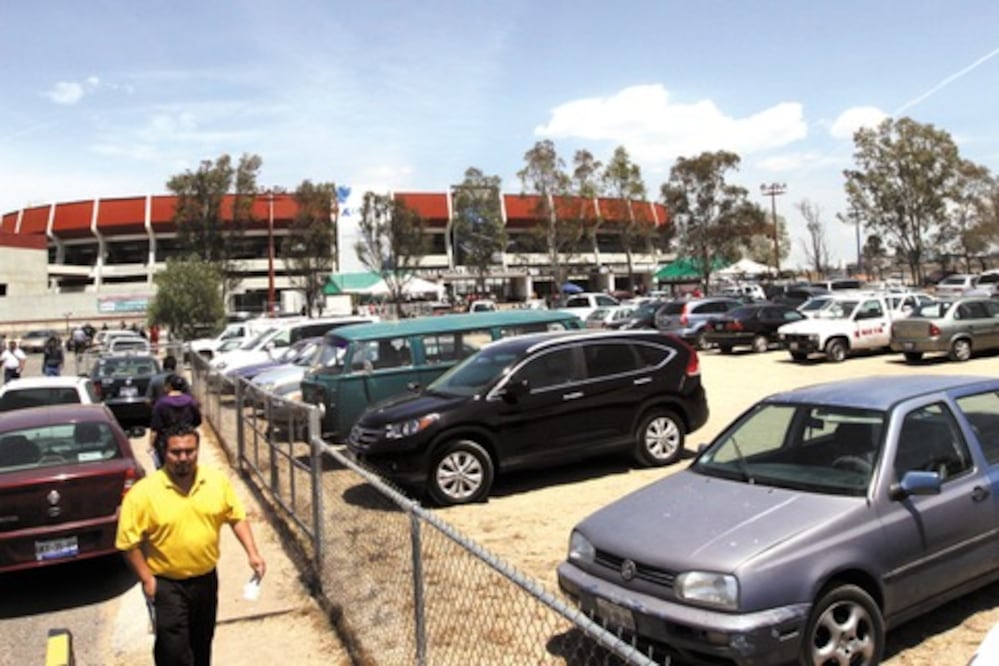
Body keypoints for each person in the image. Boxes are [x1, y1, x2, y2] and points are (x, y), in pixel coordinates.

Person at [115, 423, 266, 666]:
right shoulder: (143, 494)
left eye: (190, 451)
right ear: (164, 452)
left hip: (206, 580)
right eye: (176, 452)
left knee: (201, 643)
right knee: (174, 652)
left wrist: (253, 553)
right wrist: (147, 579)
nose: (183, 458)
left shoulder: (215, 482)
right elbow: (127, 543)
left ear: (197, 450)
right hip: (167, 585)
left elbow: (236, 517)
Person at [149, 373, 201, 468]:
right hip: (187, 438)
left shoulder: (161, 403)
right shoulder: (191, 401)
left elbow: (155, 428)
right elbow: (198, 421)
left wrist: (151, 445)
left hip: (166, 440)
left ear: (169, 386)